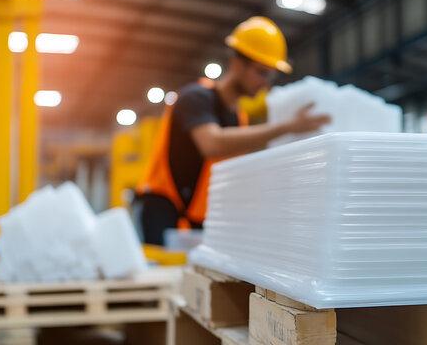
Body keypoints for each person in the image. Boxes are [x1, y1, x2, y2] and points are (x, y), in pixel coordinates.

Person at [135, 16, 331, 245]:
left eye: (271, 75)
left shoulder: (238, 118)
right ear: (238, 64)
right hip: (163, 206)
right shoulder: (196, 96)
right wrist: (286, 127)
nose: (265, 83)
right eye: (262, 72)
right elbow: (212, 144)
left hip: (198, 216)